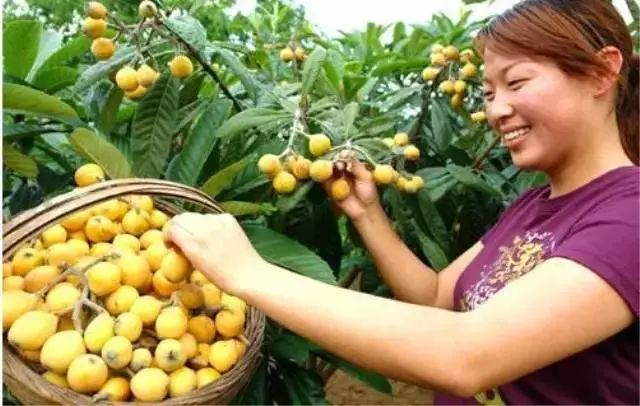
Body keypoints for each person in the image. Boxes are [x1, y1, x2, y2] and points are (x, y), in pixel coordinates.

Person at [166, 0, 639, 403]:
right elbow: (436, 298)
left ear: (601, 72)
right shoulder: (532, 206)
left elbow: (467, 355)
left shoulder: (630, 216)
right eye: (488, 92)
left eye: (516, 83)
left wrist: (251, 274)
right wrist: (367, 214)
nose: (496, 110)